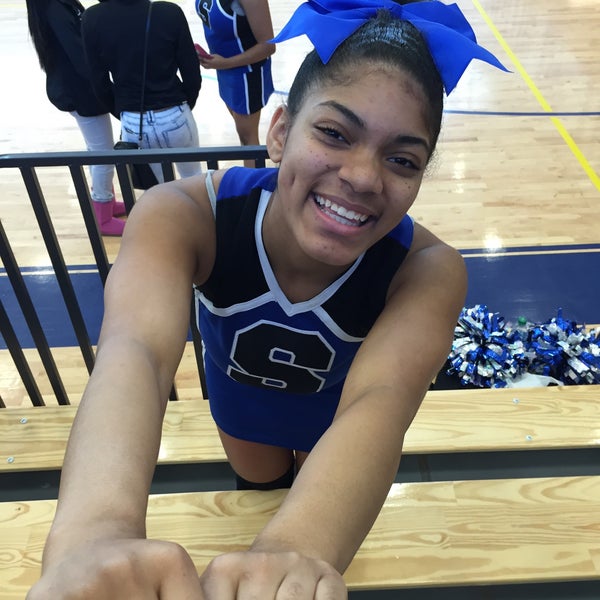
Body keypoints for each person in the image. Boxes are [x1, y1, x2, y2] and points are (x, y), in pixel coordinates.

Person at [27, 1, 508, 598]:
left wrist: (298, 548)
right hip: (242, 415)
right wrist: (93, 532)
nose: (363, 176)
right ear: (279, 132)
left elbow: (382, 402)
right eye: (335, 133)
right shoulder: (184, 215)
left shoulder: (427, 269)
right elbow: (136, 352)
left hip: (338, 425)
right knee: (257, 489)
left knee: (306, 520)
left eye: (401, 159)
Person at [25, 0, 126, 236]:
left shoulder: (59, 4)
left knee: (98, 150)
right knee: (103, 154)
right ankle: (102, 216)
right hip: (81, 91)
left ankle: (106, 201)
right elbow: (80, 55)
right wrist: (108, 86)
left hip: (82, 88)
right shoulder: (54, 8)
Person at [81, 0, 203, 185]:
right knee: (194, 181)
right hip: (174, 112)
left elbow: (98, 82)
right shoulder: (169, 12)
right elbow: (191, 71)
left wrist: (123, 111)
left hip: (133, 120)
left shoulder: (92, 18)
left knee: (156, 191)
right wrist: (184, 105)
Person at [195, 0, 275, 166]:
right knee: (243, 135)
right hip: (224, 69)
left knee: (247, 139)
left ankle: (254, 182)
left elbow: (268, 46)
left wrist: (226, 63)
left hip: (246, 74)